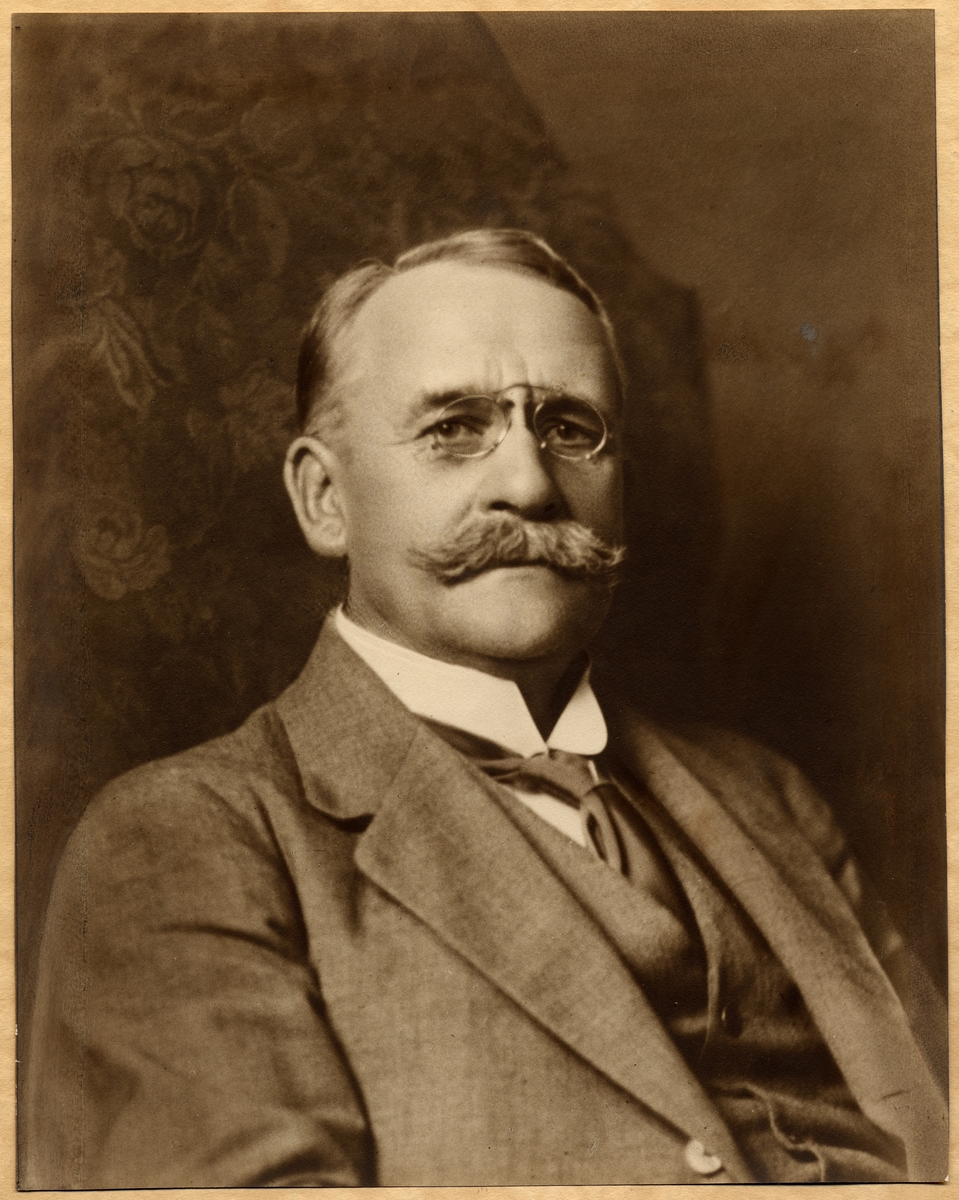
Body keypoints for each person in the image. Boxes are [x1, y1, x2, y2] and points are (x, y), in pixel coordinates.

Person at [21, 229, 946, 1188]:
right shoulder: (185, 839)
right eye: (454, 428)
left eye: (570, 429)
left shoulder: (768, 795)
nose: (530, 486)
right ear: (325, 499)